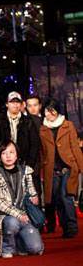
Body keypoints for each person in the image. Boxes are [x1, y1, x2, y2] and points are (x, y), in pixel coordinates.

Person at [0, 140, 44, 258]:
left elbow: (31, 191)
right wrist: (19, 215)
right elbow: (0, 203)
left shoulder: (25, 171)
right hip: (6, 217)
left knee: (35, 248)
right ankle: (6, 247)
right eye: (4, 153)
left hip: (25, 215)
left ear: (17, 155)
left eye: (11, 152)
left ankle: (18, 243)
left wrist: (34, 198)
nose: (8, 156)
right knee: (12, 222)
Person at [40, 98, 83, 238]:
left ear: (57, 110)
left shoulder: (68, 125)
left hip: (68, 168)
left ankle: (72, 226)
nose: (49, 113)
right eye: (47, 111)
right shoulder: (43, 129)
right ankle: (65, 227)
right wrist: (42, 171)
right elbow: (42, 153)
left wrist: (81, 166)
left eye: (52, 110)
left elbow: (75, 147)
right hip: (52, 170)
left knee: (65, 196)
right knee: (57, 199)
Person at [0, 91, 40, 171]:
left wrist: (29, 164)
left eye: (18, 102)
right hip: (2, 165)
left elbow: (35, 144)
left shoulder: (29, 122)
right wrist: (3, 155)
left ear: (21, 104)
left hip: (24, 164)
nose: (15, 104)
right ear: (7, 104)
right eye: (12, 102)